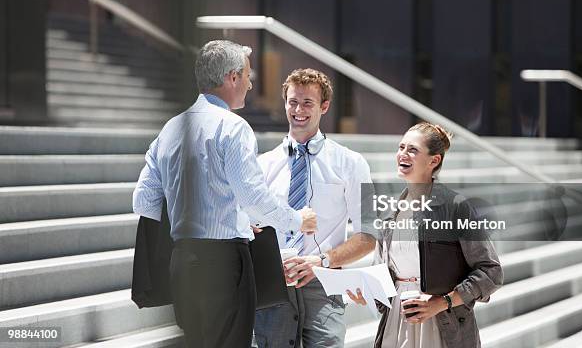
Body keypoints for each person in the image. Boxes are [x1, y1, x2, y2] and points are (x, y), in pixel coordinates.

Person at [132, 40, 317, 348]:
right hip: (224, 263)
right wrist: (297, 220)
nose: (250, 82)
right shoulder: (233, 127)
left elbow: (144, 201)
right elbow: (254, 198)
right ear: (232, 77)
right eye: (247, 74)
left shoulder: (171, 128)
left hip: (182, 260)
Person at [347, 122, 503, 348]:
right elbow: (383, 276)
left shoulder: (455, 207)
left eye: (413, 149)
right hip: (397, 321)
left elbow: (491, 272)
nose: (403, 154)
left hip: (442, 323)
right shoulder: (391, 211)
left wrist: (443, 302)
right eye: (401, 147)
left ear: (434, 161)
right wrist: (370, 294)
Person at [254, 68, 376, 347]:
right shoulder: (261, 165)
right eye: (292, 101)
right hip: (272, 288)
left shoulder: (353, 163)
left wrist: (320, 261)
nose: (299, 110)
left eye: (308, 103)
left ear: (324, 106)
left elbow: (369, 236)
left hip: (323, 286)